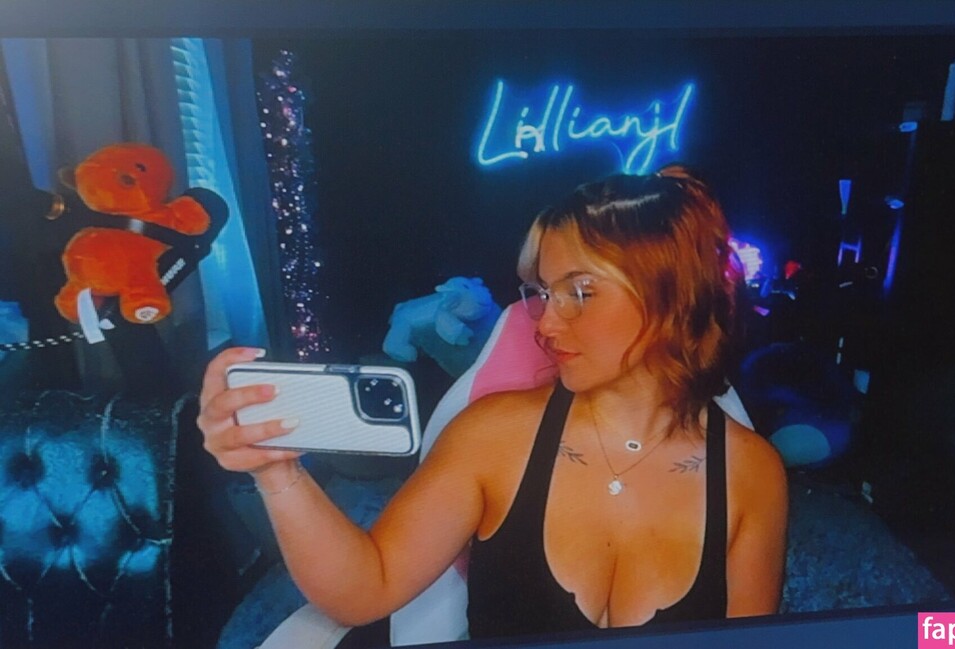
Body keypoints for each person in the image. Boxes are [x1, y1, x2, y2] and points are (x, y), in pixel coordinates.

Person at [197, 164, 788, 640]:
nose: (545, 323)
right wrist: (276, 473)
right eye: (544, 293)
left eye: (580, 292)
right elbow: (365, 589)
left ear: (673, 296)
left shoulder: (751, 475)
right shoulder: (494, 436)